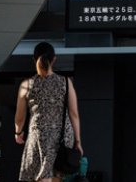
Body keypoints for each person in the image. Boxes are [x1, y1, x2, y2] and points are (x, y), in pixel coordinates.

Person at [15, 42, 84, 182]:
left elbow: (20, 116)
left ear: (34, 60)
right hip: (63, 137)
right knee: (56, 174)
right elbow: (74, 114)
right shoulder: (66, 82)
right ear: (54, 59)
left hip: (39, 134)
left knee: (40, 174)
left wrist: (18, 132)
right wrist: (78, 141)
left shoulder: (26, 84)